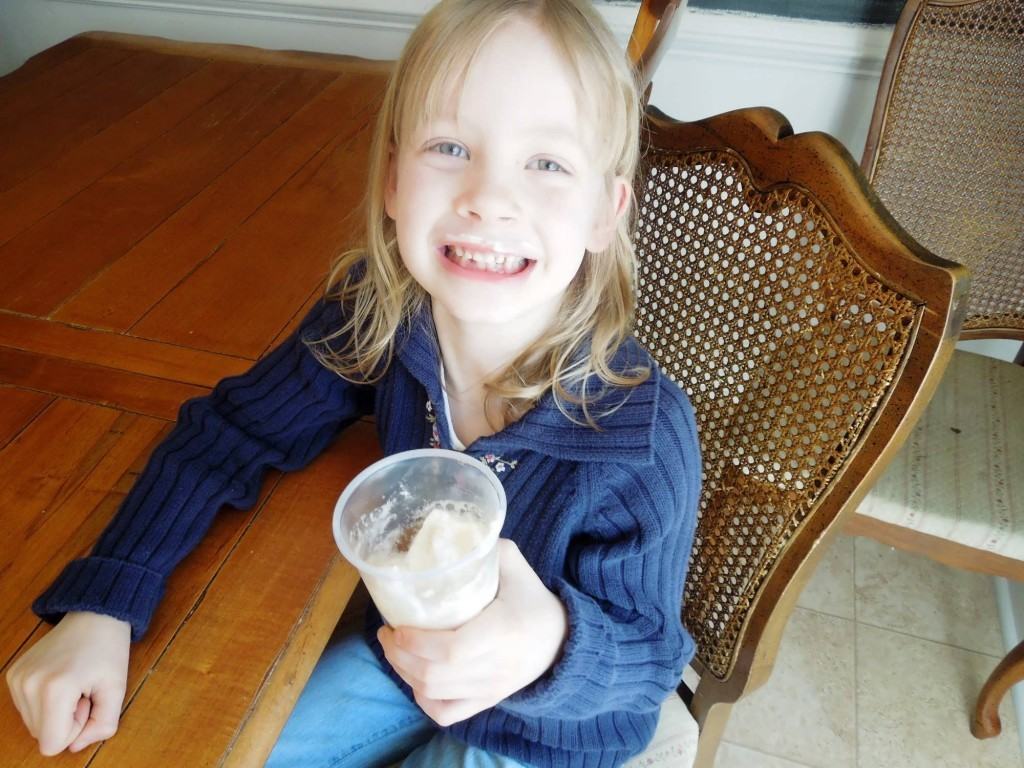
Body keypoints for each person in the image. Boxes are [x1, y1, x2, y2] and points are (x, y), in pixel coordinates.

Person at [5, 1, 701, 766]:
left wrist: (553, 645)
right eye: (450, 146)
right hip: (401, 662)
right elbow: (230, 432)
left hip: (548, 736)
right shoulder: (380, 316)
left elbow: (651, 658)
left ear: (607, 211)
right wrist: (104, 602)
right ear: (396, 180)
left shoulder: (642, 437)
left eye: (547, 163)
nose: (489, 198)